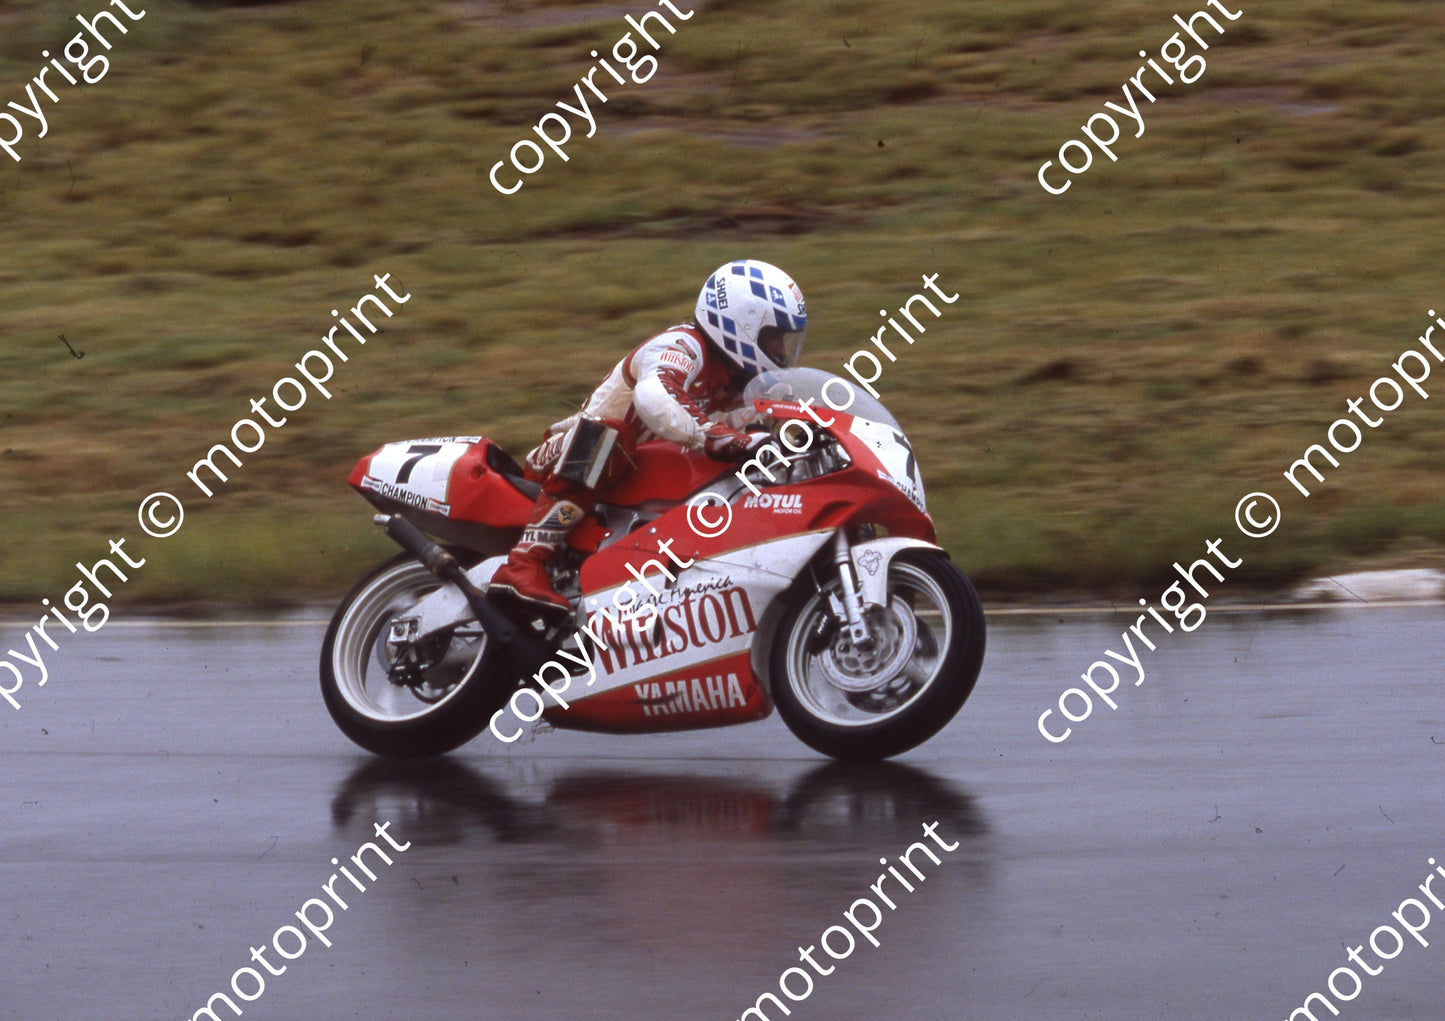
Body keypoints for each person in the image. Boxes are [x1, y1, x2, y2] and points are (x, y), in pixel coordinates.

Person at [487, 258, 808, 613]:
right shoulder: (682, 347)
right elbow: (656, 398)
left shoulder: (744, 384)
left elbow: (759, 433)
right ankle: (523, 564)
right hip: (564, 462)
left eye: (783, 340)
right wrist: (719, 438)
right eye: (773, 337)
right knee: (610, 435)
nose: (780, 352)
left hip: (638, 493)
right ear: (741, 323)